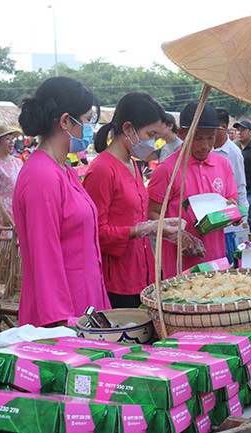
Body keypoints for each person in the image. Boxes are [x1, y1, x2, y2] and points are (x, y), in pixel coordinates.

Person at [14, 76, 110, 327]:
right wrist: (61, 327)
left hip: (86, 305)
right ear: (66, 121)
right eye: (87, 120)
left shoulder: (64, 169)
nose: (89, 129)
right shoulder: (41, 176)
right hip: (63, 318)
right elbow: (44, 260)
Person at [83, 92, 178, 309]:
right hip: (118, 281)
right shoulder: (102, 170)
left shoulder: (133, 164)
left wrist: (157, 227)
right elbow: (96, 233)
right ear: (128, 129)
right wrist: (144, 229)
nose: (154, 141)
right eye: (151, 133)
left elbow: (137, 215)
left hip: (143, 273)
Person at [148, 102, 236, 278]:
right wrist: (179, 237)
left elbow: (231, 202)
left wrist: (234, 212)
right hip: (179, 267)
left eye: (210, 138)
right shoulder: (167, 170)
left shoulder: (223, 164)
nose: (205, 145)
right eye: (197, 139)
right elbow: (152, 214)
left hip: (216, 264)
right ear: (181, 133)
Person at [213, 107, 249, 262]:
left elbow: (241, 185)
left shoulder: (233, 153)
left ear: (222, 128)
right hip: (210, 217)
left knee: (228, 259)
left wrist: (242, 214)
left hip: (229, 217)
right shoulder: (205, 150)